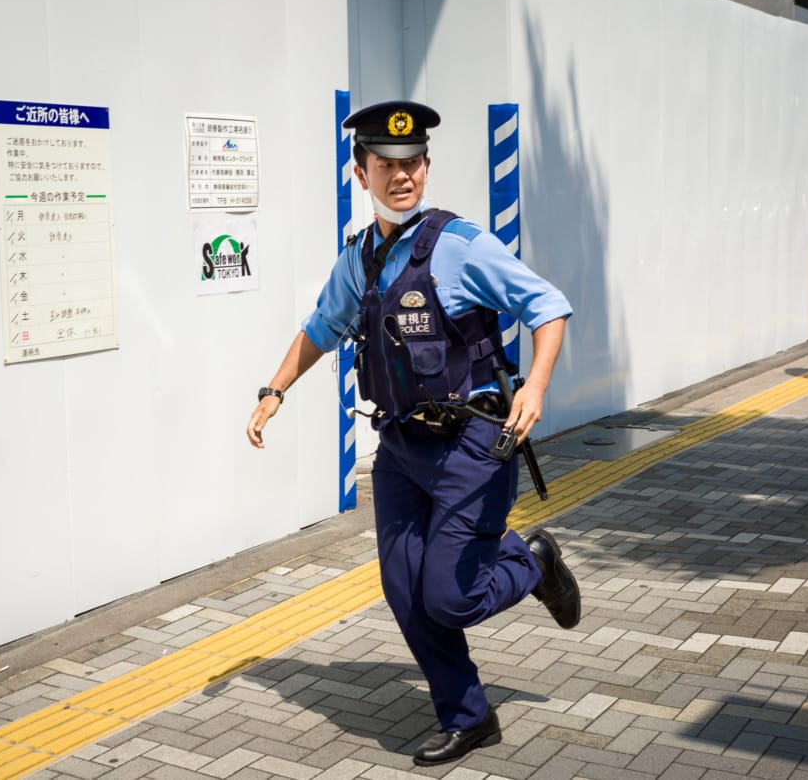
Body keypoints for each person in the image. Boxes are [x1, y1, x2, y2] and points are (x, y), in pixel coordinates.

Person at [245, 101, 580, 767]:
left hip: (472, 447)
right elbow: (320, 328)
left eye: (413, 163)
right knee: (406, 593)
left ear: (425, 167)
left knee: (449, 596)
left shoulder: (458, 244)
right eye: (387, 165)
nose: (403, 175)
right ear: (362, 171)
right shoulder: (360, 259)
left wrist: (537, 385)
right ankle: (469, 716)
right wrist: (274, 390)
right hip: (400, 449)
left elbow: (546, 305)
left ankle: (532, 563)